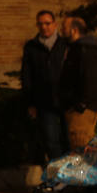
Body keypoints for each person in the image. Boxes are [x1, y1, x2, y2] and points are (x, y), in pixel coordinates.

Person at [21, 10, 68, 162]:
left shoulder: (65, 44)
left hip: (66, 100)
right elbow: (27, 76)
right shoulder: (32, 47)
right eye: (40, 24)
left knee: (69, 139)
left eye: (47, 23)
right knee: (51, 141)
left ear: (54, 24)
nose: (44, 27)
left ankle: (72, 178)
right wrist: (30, 103)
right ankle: (58, 176)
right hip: (45, 102)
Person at [58, 16, 97, 150]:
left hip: (82, 109)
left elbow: (91, 78)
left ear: (74, 30)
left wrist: (81, 104)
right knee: (76, 144)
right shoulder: (74, 49)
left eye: (64, 27)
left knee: (81, 145)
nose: (61, 31)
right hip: (75, 107)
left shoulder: (86, 50)